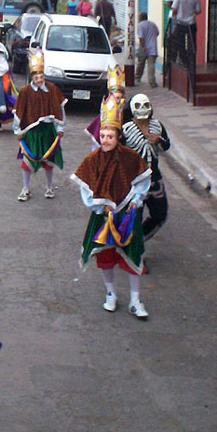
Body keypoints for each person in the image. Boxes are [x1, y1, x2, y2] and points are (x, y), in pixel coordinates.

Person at [71, 81, 153, 318]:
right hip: (103, 215)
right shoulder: (92, 160)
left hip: (127, 214)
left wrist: (136, 200)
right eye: (103, 136)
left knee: (132, 254)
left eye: (110, 136)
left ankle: (135, 300)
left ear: (119, 137)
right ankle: (110, 293)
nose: (105, 140)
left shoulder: (131, 158)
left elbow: (141, 181)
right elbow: (86, 190)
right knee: (106, 255)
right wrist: (100, 205)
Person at [13, 51, 65, 201]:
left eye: (41, 76)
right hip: (31, 131)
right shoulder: (25, 92)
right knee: (27, 160)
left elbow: (60, 109)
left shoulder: (52, 89)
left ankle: (49, 187)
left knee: (49, 160)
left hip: (48, 130)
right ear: (31, 77)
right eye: (36, 77)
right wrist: (18, 131)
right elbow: (18, 112)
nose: (39, 80)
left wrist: (60, 128)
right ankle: (25, 188)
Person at [121, 93, 171, 240]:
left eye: (145, 106)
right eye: (138, 106)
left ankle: (139, 241)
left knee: (160, 214)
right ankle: (132, 249)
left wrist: (158, 140)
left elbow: (166, 145)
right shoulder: (125, 129)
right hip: (133, 181)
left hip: (154, 178)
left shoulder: (157, 126)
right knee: (134, 217)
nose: (142, 109)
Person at [170, 0, 201, 65]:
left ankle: (184, 60)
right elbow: (198, 11)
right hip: (191, 23)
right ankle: (191, 60)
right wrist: (192, 12)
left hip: (181, 23)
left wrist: (174, 19)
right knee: (192, 43)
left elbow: (174, 9)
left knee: (181, 43)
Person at [135, 12, 159, 88]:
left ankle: (137, 77)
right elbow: (157, 33)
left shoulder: (140, 25)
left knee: (140, 63)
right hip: (153, 47)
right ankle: (152, 82)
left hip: (144, 47)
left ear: (140, 18)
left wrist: (142, 46)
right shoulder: (153, 24)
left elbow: (141, 37)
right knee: (151, 65)